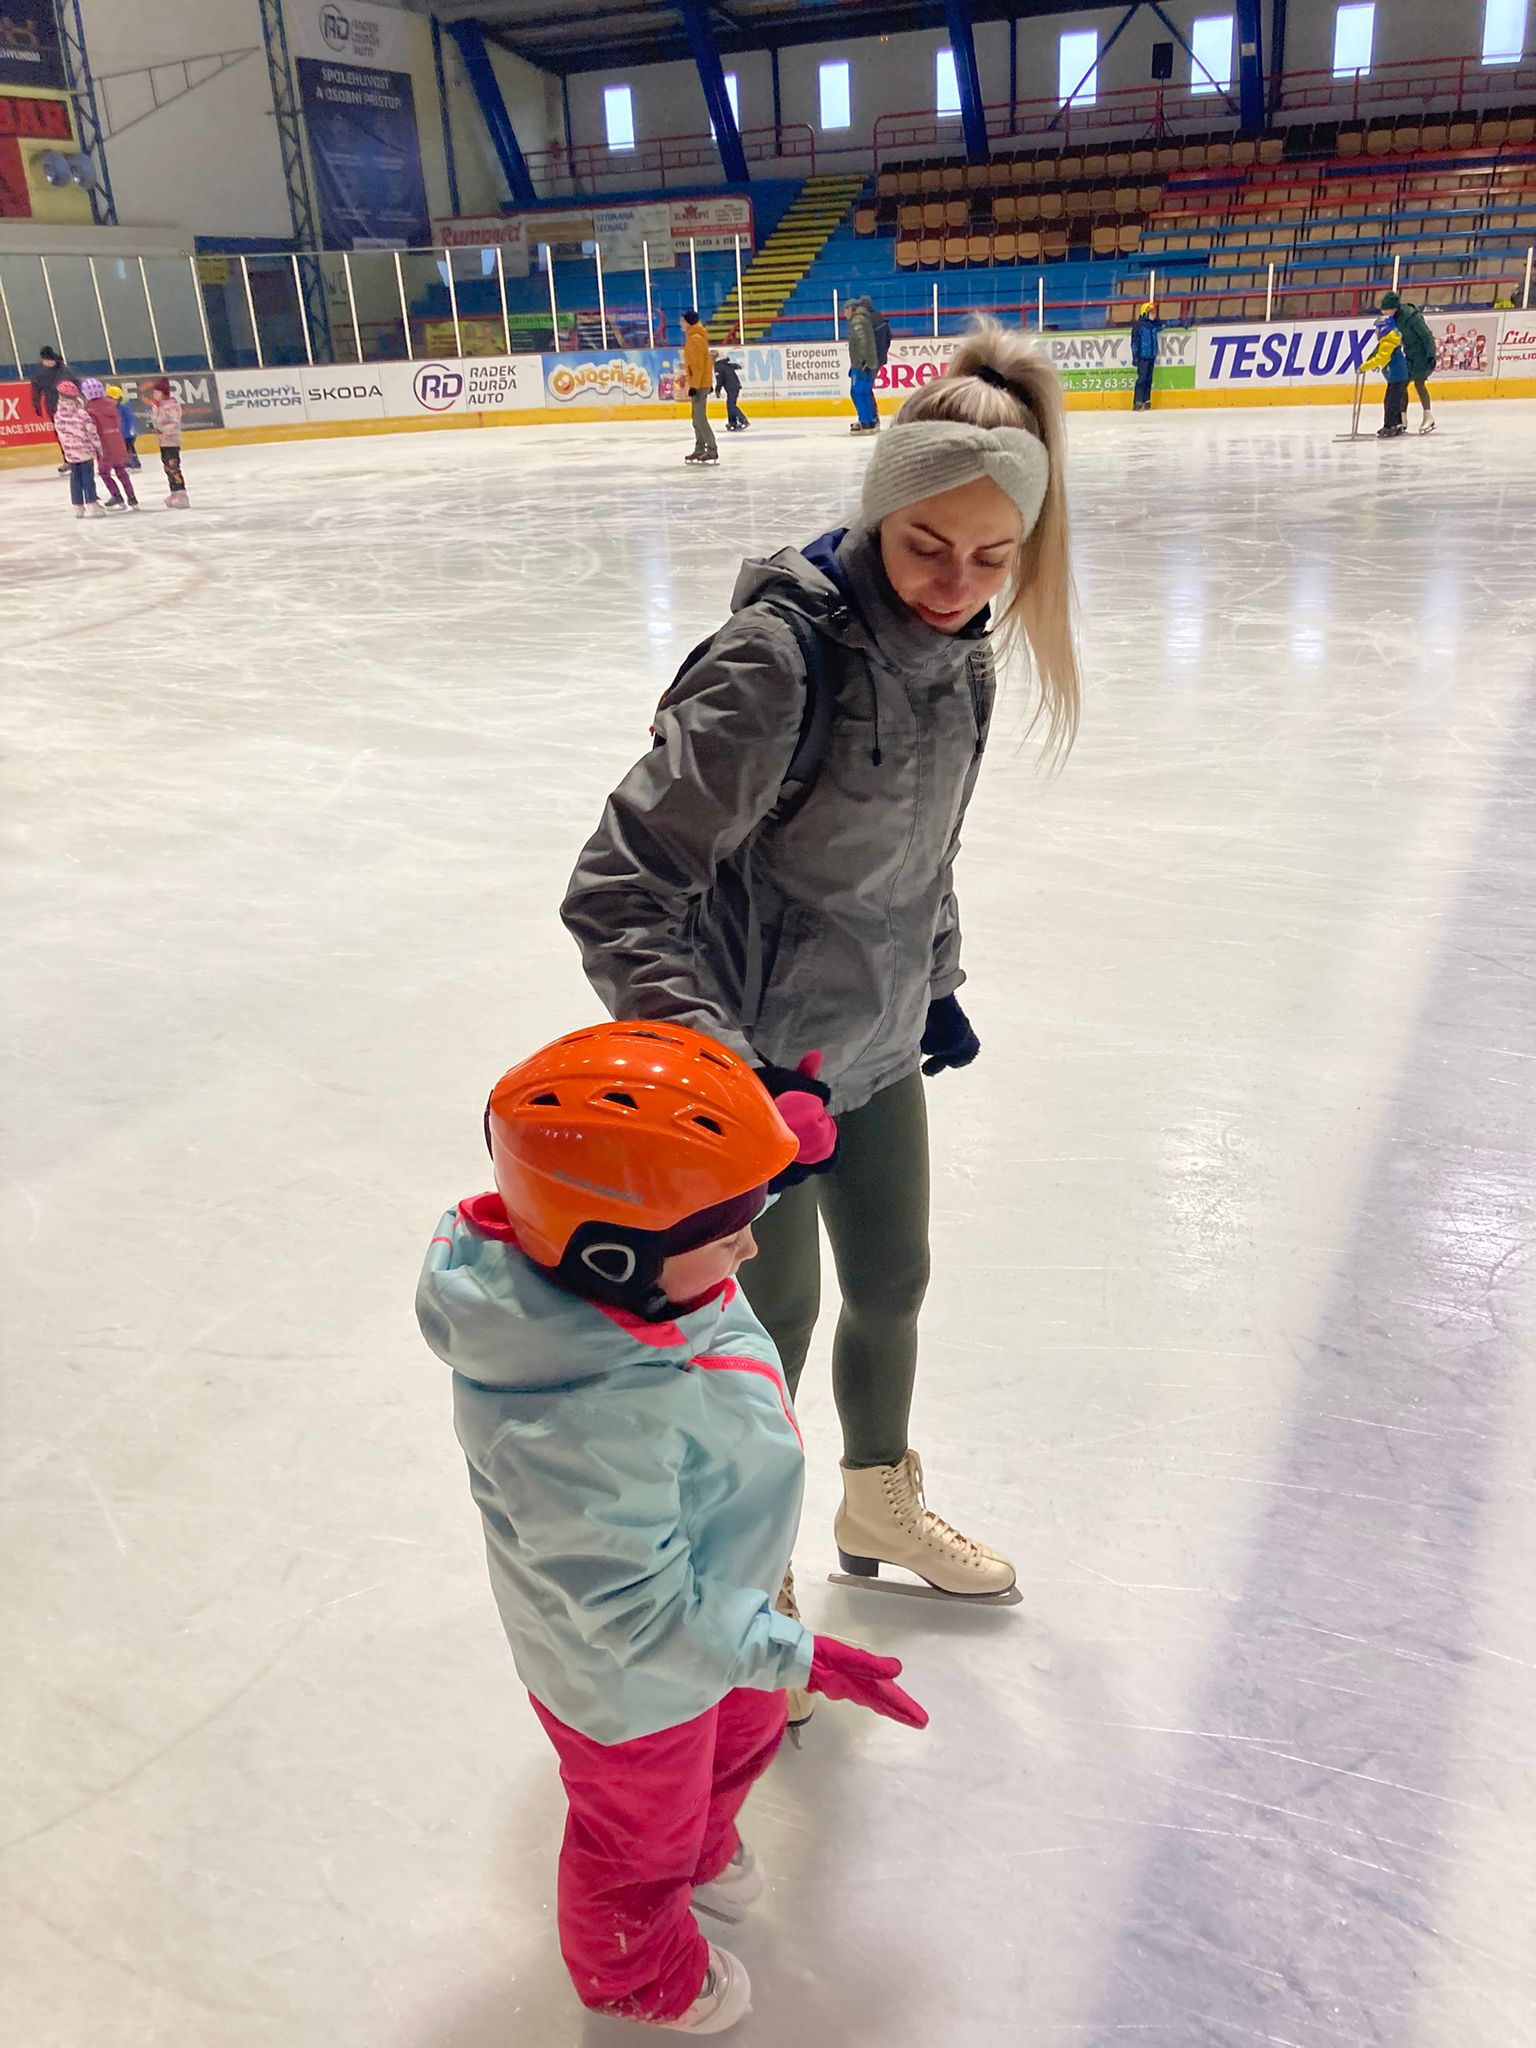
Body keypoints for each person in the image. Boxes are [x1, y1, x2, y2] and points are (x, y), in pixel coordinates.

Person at [563, 321, 1081, 1718]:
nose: (955, 585)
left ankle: (874, 1500)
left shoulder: (965, 655)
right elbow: (618, 889)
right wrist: (719, 1074)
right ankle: (749, 1574)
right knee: (769, 1326)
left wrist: (939, 981)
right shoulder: (776, 661)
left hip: (875, 1036)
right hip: (753, 1065)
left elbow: (923, 852)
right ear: (877, 513)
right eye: (926, 546)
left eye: (992, 558)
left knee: (895, 1281)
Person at [417, 1019, 927, 2035]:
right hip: (627, 1679)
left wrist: (766, 1163)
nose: (752, 1246)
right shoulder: (574, 1425)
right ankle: (637, 1974)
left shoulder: (646, 1286)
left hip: (719, 1613)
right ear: (617, 1255)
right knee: (635, 1837)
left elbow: (694, 1228)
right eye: (730, 1228)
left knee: (740, 1739)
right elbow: (635, 1617)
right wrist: (794, 1649)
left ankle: (699, 1843)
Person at [1378, 289, 1436, 433]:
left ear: (1394, 308)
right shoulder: (1393, 319)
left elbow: (1426, 336)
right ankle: (1402, 418)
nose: (1384, 313)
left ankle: (1428, 416)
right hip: (1409, 355)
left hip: (1422, 354)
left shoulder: (1412, 317)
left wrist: (1431, 355)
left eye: (1386, 309)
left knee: (1419, 383)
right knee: (1402, 383)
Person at [81, 377, 138, 510]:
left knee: (104, 472)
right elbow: (118, 422)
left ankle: (116, 495)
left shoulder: (90, 408)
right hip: (117, 441)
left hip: (104, 444)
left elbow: (93, 428)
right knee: (121, 470)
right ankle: (132, 497)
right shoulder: (110, 404)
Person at [52, 380, 105, 518]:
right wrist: (99, 447)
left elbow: (60, 433)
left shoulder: (58, 415)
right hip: (85, 451)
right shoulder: (81, 413)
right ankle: (92, 503)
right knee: (88, 478)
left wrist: (67, 447)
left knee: (75, 479)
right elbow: (91, 432)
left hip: (70, 453)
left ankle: (78, 507)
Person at [1364, 307, 1411, 438]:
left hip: (1397, 377)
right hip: (1397, 377)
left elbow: (1381, 357)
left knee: (1390, 402)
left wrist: (1364, 367)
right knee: (1394, 401)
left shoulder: (1388, 342)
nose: (1375, 332)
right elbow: (1378, 355)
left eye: (1377, 329)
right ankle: (1397, 424)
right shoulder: (1388, 340)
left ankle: (1390, 425)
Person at [681, 310, 718, 467]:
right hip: (701, 383)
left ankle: (711, 449)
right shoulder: (693, 337)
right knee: (696, 418)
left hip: (700, 384)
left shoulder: (695, 339)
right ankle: (700, 448)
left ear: (689, 322)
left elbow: (698, 366)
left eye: (682, 321)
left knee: (699, 419)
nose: (680, 324)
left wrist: (695, 386)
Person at [29, 344, 73, 473]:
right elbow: (35, 388)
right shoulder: (40, 372)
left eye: (48, 360)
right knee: (61, 434)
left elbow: (75, 383)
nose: (46, 362)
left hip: (69, 405)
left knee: (72, 431)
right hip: (53, 406)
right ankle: (68, 459)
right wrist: (36, 404)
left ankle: (79, 457)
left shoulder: (63, 370)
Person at [146, 378, 189, 505]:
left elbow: (174, 424)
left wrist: (162, 430)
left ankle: (181, 494)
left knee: (173, 467)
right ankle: (174, 492)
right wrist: (154, 427)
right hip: (163, 442)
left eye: (157, 392)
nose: (154, 394)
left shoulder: (171, 406)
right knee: (167, 468)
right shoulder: (156, 406)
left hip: (172, 441)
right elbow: (157, 421)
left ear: (164, 393)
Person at [846, 293, 880, 433]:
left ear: (851, 309)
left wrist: (863, 362)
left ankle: (865, 422)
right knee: (864, 392)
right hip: (866, 364)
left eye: (845, 310)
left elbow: (863, 343)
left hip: (861, 365)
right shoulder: (864, 319)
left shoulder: (857, 322)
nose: (844, 314)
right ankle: (869, 421)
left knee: (858, 392)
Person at [1129, 300, 1166, 411]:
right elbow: (1134, 342)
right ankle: (1137, 401)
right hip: (1142, 356)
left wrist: (1181, 322)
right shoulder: (1139, 326)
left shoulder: (1154, 325)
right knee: (1142, 379)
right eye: (1151, 312)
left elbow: (1165, 324)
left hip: (1151, 355)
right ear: (1145, 313)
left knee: (1149, 379)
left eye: (1154, 312)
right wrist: (1135, 356)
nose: (1154, 314)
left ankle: (1146, 399)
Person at [108, 383, 142, 468]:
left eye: (114, 399)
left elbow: (130, 420)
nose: (112, 401)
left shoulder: (124, 408)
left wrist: (130, 432)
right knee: (121, 451)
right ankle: (125, 464)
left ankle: (135, 464)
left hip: (127, 434)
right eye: (110, 399)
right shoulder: (111, 409)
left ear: (119, 399)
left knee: (129, 449)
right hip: (118, 434)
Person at [714, 351, 749, 432]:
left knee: (731, 405)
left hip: (731, 387)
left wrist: (717, 390)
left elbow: (720, 379)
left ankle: (743, 420)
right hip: (735, 386)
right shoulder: (725, 365)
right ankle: (732, 422)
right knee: (730, 405)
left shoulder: (718, 366)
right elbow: (734, 366)